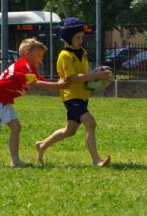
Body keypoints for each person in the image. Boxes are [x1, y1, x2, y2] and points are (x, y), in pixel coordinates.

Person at [0, 38, 69, 167]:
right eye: (39, 55)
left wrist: (58, 84)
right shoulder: (23, 66)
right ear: (28, 53)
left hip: (4, 101)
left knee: (16, 127)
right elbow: (37, 84)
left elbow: (41, 81)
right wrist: (59, 85)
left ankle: (15, 161)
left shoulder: (29, 68)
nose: (41, 59)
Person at [35, 17, 112, 167]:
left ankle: (42, 145)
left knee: (69, 131)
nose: (80, 40)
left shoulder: (82, 52)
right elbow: (72, 78)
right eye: (77, 37)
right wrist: (96, 75)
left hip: (82, 96)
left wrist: (95, 82)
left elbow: (84, 74)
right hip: (71, 97)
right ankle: (97, 160)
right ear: (68, 38)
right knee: (90, 123)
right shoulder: (65, 56)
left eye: (82, 37)